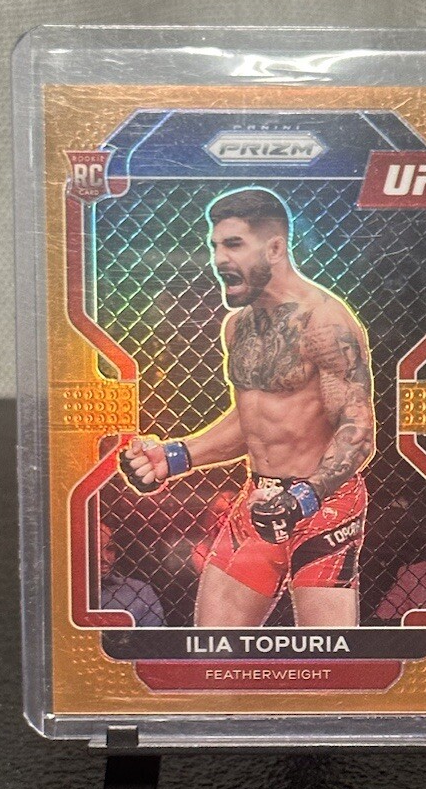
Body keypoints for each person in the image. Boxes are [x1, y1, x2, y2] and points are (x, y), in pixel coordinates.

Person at [118, 188, 375, 627]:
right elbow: (254, 420)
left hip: (325, 505)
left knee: (326, 656)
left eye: (233, 244)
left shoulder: (325, 322)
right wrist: (178, 456)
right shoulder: (238, 327)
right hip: (258, 499)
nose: (219, 259)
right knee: (213, 646)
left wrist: (304, 498)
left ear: (274, 248)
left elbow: (357, 431)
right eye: (215, 246)